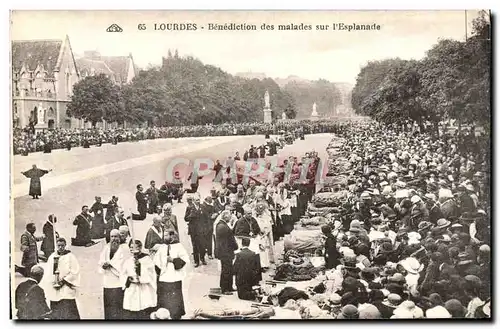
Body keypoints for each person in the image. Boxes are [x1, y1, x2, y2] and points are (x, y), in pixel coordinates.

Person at [40, 238, 81, 320]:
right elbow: (48, 272)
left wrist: (63, 282)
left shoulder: (70, 257)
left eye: (62, 246)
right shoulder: (52, 257)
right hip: (55, 289)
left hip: (66, 287)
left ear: (65, 245)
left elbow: (75, 271)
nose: (60, 248)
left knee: (68, 311)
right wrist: (53, 282)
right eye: (59, 246)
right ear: (56, 246)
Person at [153, 230, 190, 320]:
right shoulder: (162, 247)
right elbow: (156, 261)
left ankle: (175, 315)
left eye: (166, 235)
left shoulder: (179, 247)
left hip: (174, 276)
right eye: (164, 235)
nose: (164, 237)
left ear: (172, 236)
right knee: (164, 298)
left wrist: (173, 260)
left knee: (175, 298)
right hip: (164, 276)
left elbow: (185, 260)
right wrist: (158, 269)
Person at [98, 229, 130, 320]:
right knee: (109, 307)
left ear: (120, 237)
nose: (114, 239)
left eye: (116, 236)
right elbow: (100, 261)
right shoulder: (106, 247)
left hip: (118, 282)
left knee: (118, 307)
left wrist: (111, 264)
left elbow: (125, 264)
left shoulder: (124, 248)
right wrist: (103, 266)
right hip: (107, 281)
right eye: (112, 236)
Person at [122, 240, 157, 320]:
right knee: (133, 311)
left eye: (134, 247)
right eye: (130, 247)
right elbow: (123, 274)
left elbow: (151, 273)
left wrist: (140, 267)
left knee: (144, 309)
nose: (131, 249)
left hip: (144, 288)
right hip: (132, 288)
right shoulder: (128, 260)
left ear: (140, 248)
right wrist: (128, 279)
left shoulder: (146, 259)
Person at [214, 210, 238, 295]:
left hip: (225, 252)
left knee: (228, 269)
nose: (230, 218)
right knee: (226, 270)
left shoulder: (221, 225)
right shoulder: (223, 227)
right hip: (225, 252)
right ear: (225, 217)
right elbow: (229, 240)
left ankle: (228, 286)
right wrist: (235, 247)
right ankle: (225, 288)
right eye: (229, 216)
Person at [233, 237, 262, 301]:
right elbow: (257, 268)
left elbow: (235, 267)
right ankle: (253, 293)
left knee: (241, 296)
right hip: (250, 279)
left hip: (241, 279)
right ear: (249, 244)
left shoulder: (239, 254)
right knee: (246, 293)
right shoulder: (253, 254)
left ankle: (251, 294)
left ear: (242, 244)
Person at [184, 195, 205, 267]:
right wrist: (191, 216)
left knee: (202, 245)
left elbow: (205, 218)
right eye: (196, 200)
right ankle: (196, 261)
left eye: (199, 200)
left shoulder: (202, 207)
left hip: (201, 229)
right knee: (195, 246)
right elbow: (185, 218)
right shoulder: (190, 208)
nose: (198, 201)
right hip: (193, 230)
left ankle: (202, 258)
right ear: (193, 201)